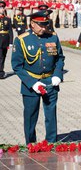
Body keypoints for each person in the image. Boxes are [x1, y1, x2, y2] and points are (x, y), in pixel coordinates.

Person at [11, 10, 65, 144]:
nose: (43, 28)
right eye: (40, 24)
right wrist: (32, 83)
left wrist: (57, 75)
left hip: (49, 81)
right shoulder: (21, 39)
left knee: (51, 115)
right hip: (31, 84)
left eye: (45, 24)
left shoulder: (53, 37)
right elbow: (17, 66)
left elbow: (60, 58)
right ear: (32, 24)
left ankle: (51, 143)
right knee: (30, 116)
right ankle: (30, 144)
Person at [0, 1, 13, 79]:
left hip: (5, 40)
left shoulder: (7, 19)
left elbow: (10, 31)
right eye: (0, 7)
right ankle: (1, 72)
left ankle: (1, 70)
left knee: (3, 56)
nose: (2, 9)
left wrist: (11, 42)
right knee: (0, 56)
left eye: (3, 7)